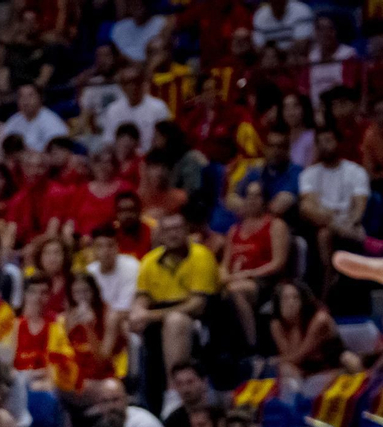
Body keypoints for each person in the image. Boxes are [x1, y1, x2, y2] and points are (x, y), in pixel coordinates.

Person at [131, 214, 218, 410]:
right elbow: (142, 297)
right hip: (159, 314)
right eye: (167, 230)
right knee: (128, 320)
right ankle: (131, 392)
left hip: (198, 319)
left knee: (175, 321)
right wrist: (137, 312)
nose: (173, 234)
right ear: (160, 235)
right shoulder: (149, 261)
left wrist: (151, 315)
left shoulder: (201, 255)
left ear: (187, 231)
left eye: (177, 229)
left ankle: (173, 393)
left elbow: (198, 304)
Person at [298, 126, 371, 288]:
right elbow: (309, 206)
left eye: (329, 140)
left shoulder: (356, 171)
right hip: (321, 224)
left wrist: (351, 223)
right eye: (320, 142)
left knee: (325, 234)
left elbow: (359, 207)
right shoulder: (308, 174)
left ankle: (329, 275)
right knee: (311, 216)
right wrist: (334, 223)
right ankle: (329, 274)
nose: (325, 145)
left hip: (349, 224)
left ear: (338, 143)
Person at [220, 180, 291, 346]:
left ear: (265, 200)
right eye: (249, 196)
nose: (252, 200)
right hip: (236, 280)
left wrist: (248, 274)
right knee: (218, 292)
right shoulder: (234, 230)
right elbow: (225, 264)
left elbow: (278, 263)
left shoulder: (275, 225)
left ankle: (251, 344)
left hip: (265, 282)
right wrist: (224, 276)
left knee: (235, 291)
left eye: (257, 196)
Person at [98, 65, 171, 152]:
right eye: (128, 83)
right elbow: (109, 142)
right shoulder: (113, 110)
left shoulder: (158, 107)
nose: (133, 86)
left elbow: (166, 141)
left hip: (151, 158)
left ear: (142, 83)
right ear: (122, 86)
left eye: (136, 81)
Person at [0, 84, 69, 153]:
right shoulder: (14, 120)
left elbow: (58, 153)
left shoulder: (52, 122)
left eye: (30, 96)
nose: (25, 101)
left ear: (40, 98)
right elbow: (2, 146)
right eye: (21, 97)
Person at [161, 359, 213, 427]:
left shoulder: (218, 418)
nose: (185, 389)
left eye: (190, 382)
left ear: (204, 382)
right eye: (179, 384)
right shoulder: (172, 422)